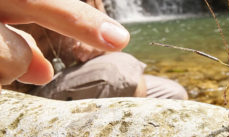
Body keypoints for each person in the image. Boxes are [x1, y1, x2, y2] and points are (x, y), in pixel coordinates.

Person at [0, 0, 188, 100]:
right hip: (25, 96)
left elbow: (111, 48)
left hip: (64, 81)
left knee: (173, 93)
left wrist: (98, 50)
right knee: (122, 71)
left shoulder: (90, 2)